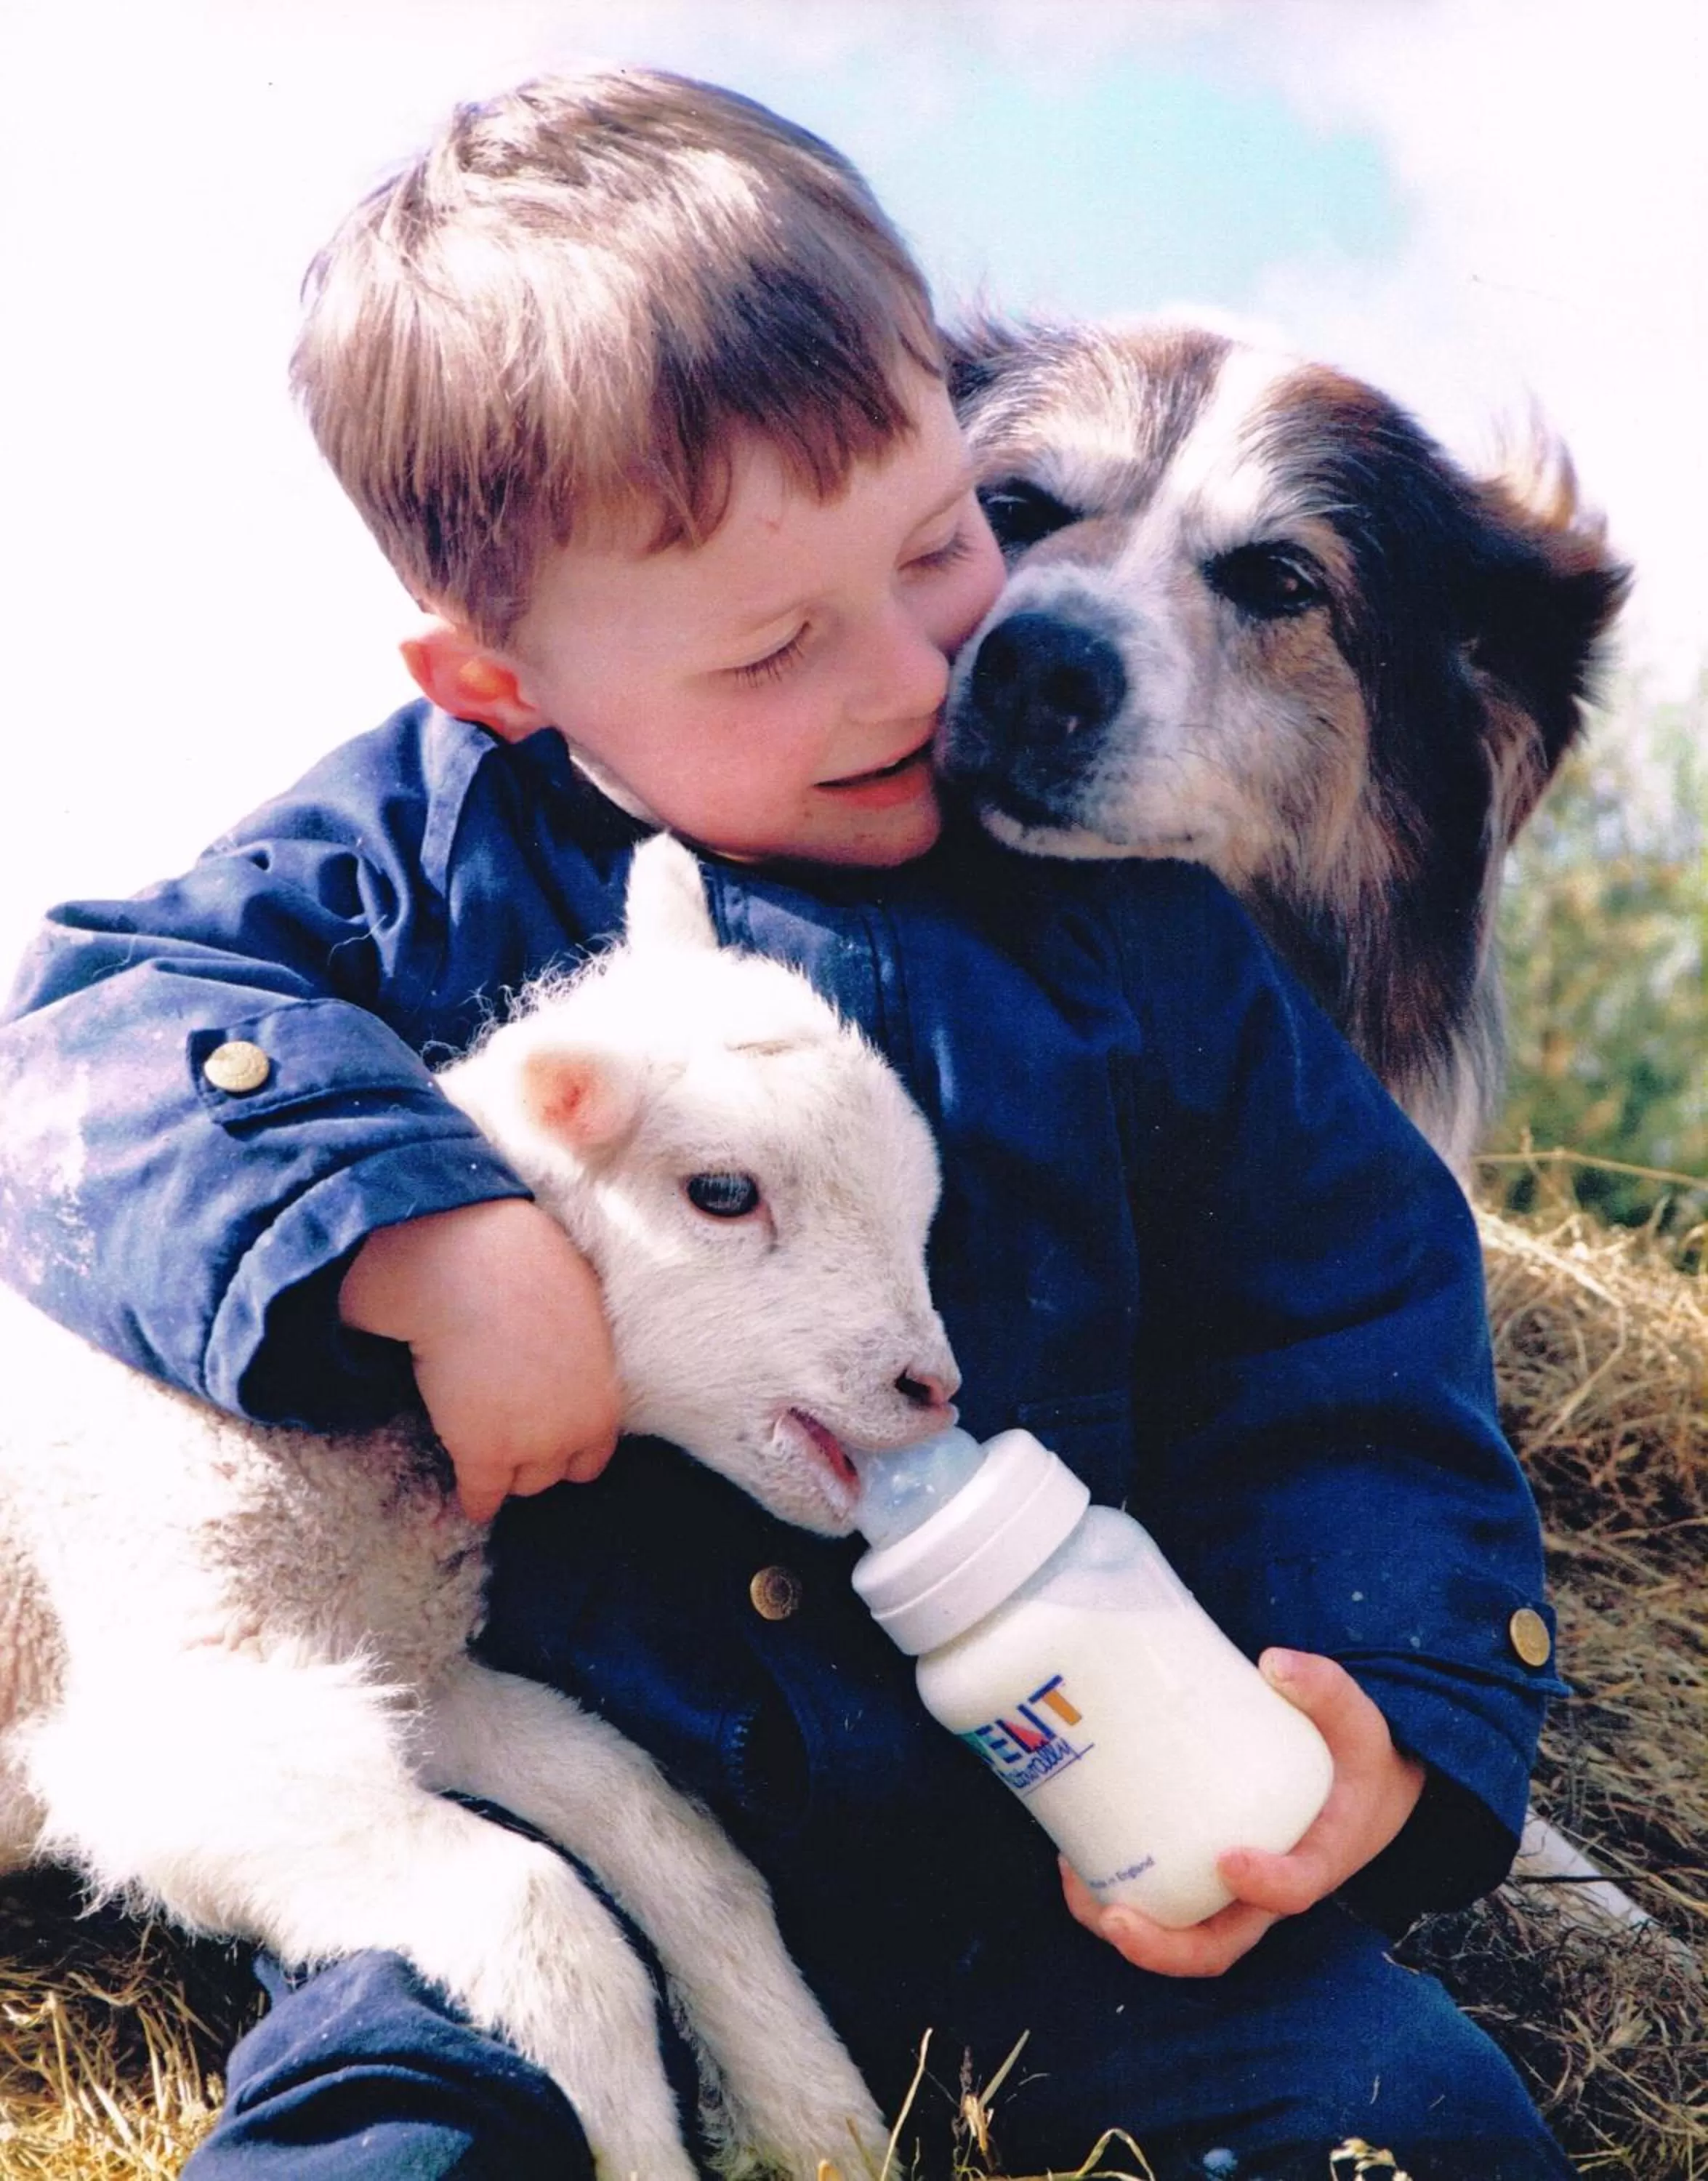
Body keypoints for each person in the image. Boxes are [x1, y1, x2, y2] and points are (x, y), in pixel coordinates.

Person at [0, 68, 1572, 2181]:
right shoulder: (413, 854)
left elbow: (1346, 1322)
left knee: (1409, 2118)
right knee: (402, 2124)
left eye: (944, 543)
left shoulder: (1140, 944)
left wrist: (1381, 1703)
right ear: (500, 679)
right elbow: (94, 1034)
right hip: (543, 1798)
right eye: (769, 650)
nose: (908, 680)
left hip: (1048, 1851)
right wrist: (414, 1225)